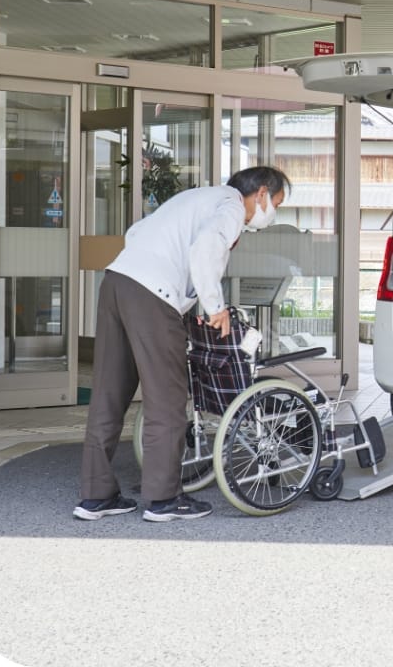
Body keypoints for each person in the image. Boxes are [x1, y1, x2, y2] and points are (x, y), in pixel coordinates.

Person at [74, 166, 291, 522]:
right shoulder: (232, 205)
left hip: (116, 283)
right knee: (168, 398)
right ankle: (163, 500)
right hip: (152, 295)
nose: (273, 212)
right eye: (277, 203)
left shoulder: (196, 198)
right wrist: (215, 307)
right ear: (262, 193)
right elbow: (205, 248)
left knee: (108, 395)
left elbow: (138, 232)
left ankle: (95, 496)